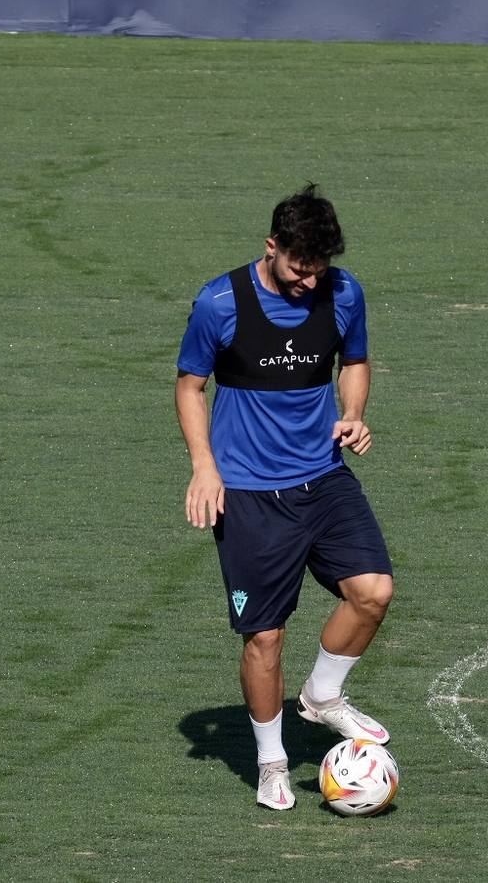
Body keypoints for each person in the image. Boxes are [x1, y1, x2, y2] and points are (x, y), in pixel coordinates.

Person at [175, 184, 395, 809]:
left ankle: (323, 696)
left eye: (318, 269)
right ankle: (271, 761)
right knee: (265, 638)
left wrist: (353, 411)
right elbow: (191, 387)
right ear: (271, 248)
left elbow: (354, 360)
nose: (309, 281)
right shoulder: (221, 303)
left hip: (323, 478)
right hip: (247, 494)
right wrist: (204, 468)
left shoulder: (343, 292)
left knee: (373, 591)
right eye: (299, 268)